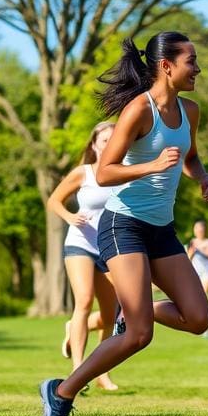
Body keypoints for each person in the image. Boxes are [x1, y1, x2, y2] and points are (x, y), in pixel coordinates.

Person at [39, 32, 208, 416]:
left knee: (199, 318)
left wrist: (203, 178)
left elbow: (189, 156)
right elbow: (104, 172)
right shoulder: (139, 110)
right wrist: (151, 166)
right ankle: (61, 393)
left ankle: (139, 308)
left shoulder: (190, 111)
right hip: (123, 225)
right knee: (139, 335)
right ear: (166, 66)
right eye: (191, 61)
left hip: (161, 228)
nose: (198, 69)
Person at [48, 121, 120, 392]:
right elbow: (54, 200)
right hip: (80, 244)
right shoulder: (84, 173)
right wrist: (70, 217)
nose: (109, 145)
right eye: (104, 141)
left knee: (112, 315)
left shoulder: (125, 174)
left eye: (114, 141)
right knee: (85, 300)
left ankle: (102, 372)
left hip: (109, 248)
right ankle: (78, 369)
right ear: (94, 146)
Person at [187, 218, 208, 294]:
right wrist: (192, 252)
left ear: (204, 230)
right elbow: (188, 259)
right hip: (195, 272)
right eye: (196, 228)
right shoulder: (192, 242)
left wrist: (202, 249)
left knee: (203, 294)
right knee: (195, 295)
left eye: (201, 228)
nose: (199, 230)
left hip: (207, 272)